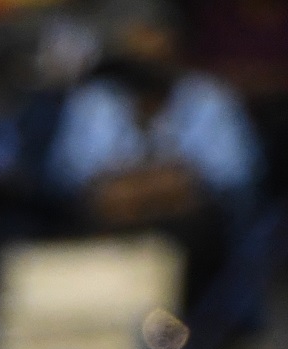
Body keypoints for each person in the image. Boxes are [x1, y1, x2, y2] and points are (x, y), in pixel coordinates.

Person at [47, 0, 260, 296]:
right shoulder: (95, 101)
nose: (146, 63)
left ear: (175, 48)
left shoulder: (209, 96)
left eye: (154, 49)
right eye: (136, 56)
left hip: (193, 234)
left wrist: (162, 188)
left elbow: (232, 175)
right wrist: (157, 187)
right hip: (111, 231)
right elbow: (75, 177)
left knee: (199, 225)